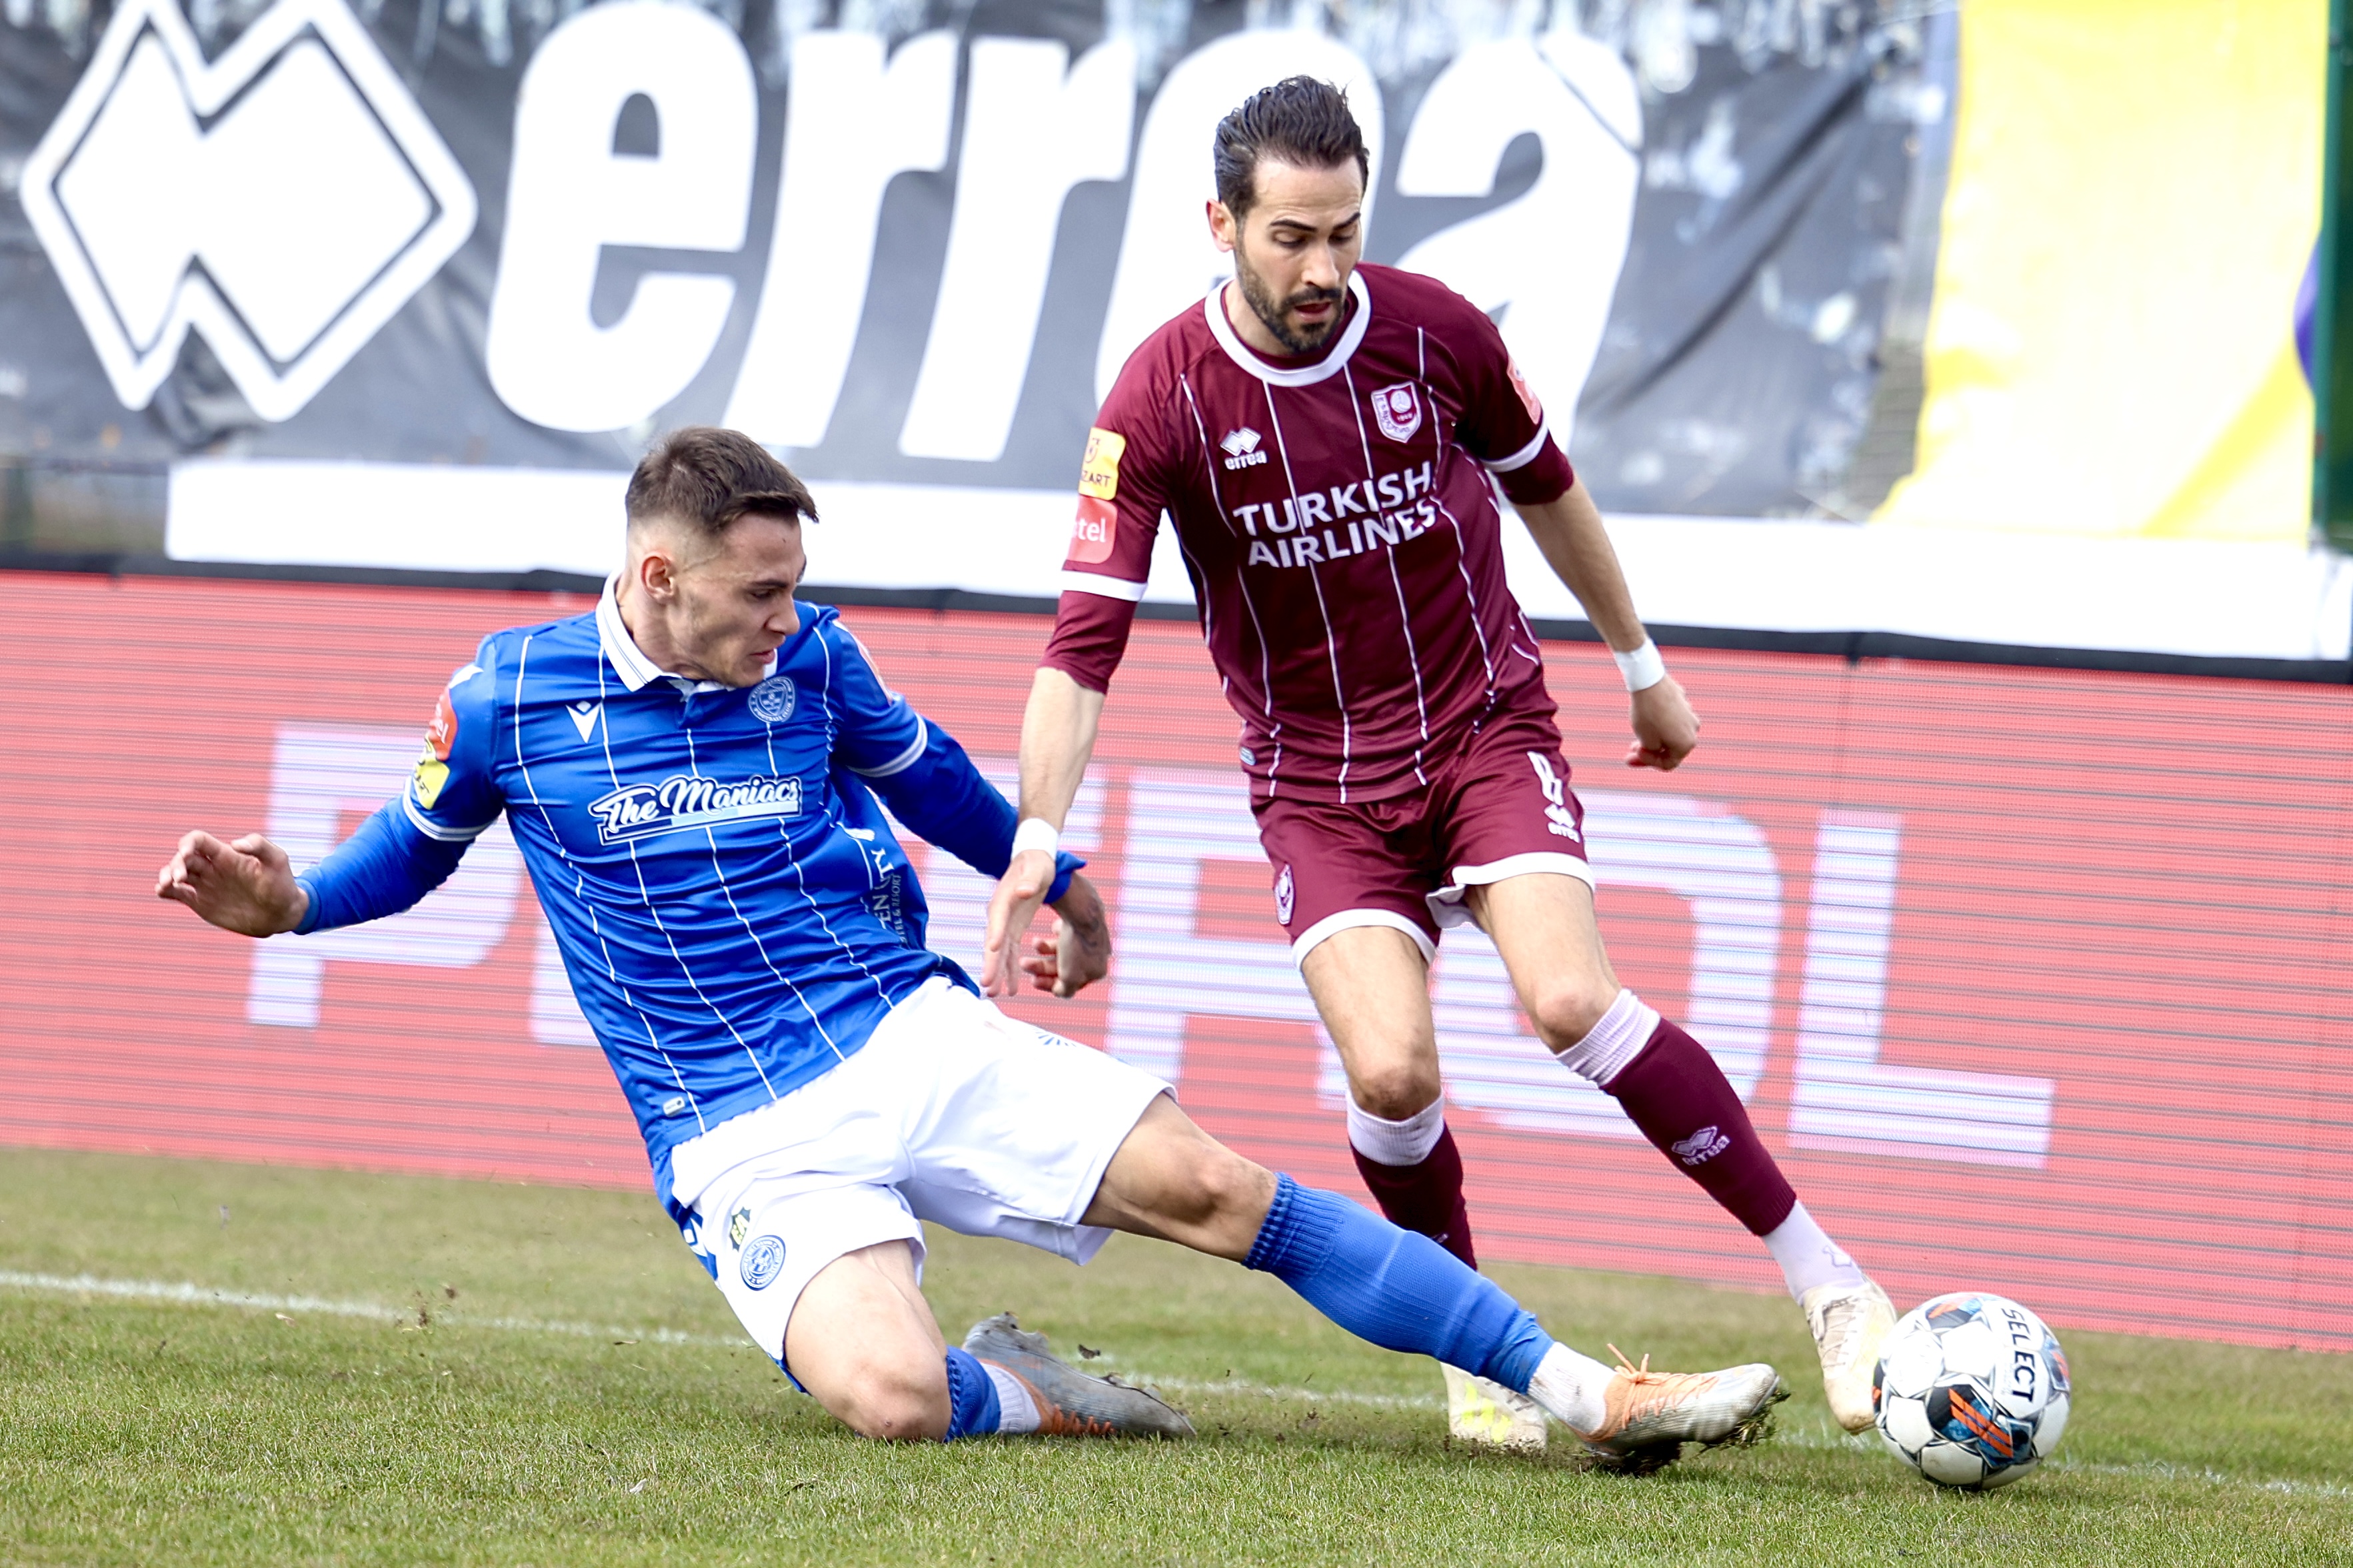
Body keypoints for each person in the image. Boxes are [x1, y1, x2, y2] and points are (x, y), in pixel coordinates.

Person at [155, 426, 1786, 1463]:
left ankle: (1590, 1391)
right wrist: (290, 905)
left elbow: (929, 776)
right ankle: (1043, 1389)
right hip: (734, 1130)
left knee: (1226, 1194)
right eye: (759, 595)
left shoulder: (812, 662)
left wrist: (1055, 877)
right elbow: (407, 852)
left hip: (905, 1031)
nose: (788, 620)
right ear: (656, 578)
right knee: (894, 1400)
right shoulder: (509, 696)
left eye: (798, 589)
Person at [983, 77, 1894, 1452]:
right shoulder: (1158, 400)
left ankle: (1832, 1285)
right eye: (1291, 236)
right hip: (1317, 785)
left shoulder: (1434, 334)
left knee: (1570, 997)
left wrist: (1640, 665)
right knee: (1396, 1077)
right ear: (1218, 222)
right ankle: (1479, 1361)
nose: (1323, 269)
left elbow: (1550, 491)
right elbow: (1081, 643)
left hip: (1482, 726)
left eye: (1345, 232)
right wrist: (1038, 833)